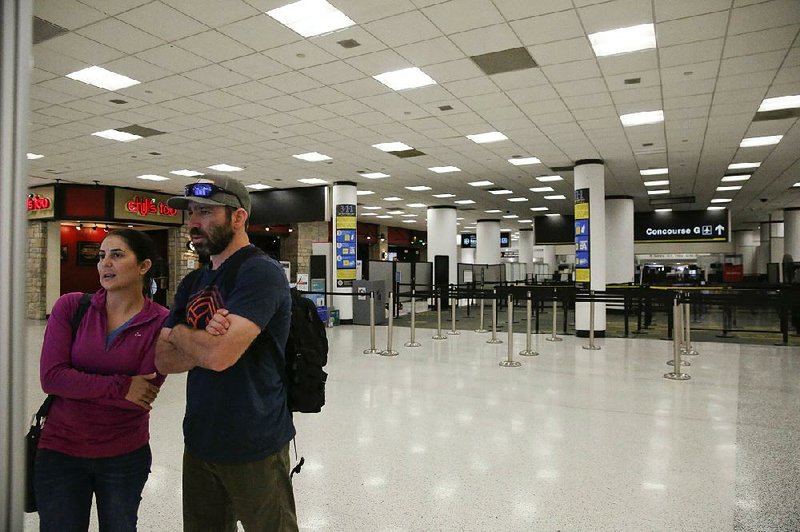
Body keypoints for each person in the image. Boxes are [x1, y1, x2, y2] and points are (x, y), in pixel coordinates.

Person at [155, 175, 297, 531]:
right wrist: (202, 338)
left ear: (238, 218)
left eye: (205, 211)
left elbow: (219, 356)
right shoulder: (193, 282)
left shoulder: (259, 273)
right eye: (191, 212)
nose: (193, 222)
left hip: (255, 442)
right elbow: (162, 358)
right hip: (200, 440)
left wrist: (180, 333)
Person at [35, 229, 168, 531]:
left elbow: (142, 394)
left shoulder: (161, 322)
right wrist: (121, 386)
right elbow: (52, 377)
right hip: (60, 451)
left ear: (143, 266)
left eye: (117, 255)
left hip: (124, 455)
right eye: (101, 256)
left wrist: (81, 382)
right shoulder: (71, 307)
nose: (105, 263)